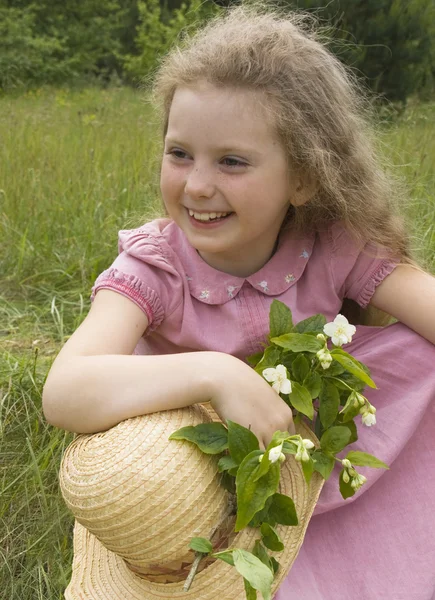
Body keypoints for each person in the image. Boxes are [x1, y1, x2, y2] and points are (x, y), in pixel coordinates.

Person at [42, 5, 435, 599]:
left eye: (231, 161)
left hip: (319, 475)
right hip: (198, 502)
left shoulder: (331, 245)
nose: (197, 184)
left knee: (420, 353)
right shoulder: (156, 268)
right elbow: (64, 391)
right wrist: (213, 372)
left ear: (303, 178)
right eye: (180, 154)